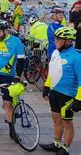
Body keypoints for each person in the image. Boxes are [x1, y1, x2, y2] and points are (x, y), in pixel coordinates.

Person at [39, 27, 81, 155]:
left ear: (68, 41)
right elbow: (52, 72)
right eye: (55, 38)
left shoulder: (76, 57)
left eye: (59, 39)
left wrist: (79, 99)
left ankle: (66, 148)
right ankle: (56, 143)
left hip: (67, 95)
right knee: (56, 119)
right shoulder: (55, 53)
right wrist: (47, 86)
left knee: (67, 122)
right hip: (55, 92)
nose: (55, 41)